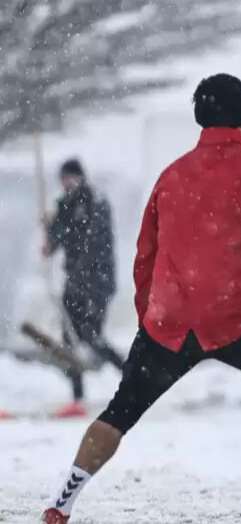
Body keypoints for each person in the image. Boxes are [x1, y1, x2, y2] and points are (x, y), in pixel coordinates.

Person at [41, 74, 241, 524]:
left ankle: (60, 504)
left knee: (120, 411)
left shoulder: (171, 176)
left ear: (198, 117)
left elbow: (144, 255)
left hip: (166, 324)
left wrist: (149, 316)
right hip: (233, 321)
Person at [42, 158, 122, 418]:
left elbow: (90, 239)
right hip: (74, 281)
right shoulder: (64, 204)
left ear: (79, 177)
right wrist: (49, 229)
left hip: (97, 282)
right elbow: (57, 242)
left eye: (69, 177)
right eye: (63, 179)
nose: (66, 183)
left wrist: (60, 228)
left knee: (90, 335)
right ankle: (77, 397)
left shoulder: (94, 202)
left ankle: (133, 378)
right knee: (68, 336)